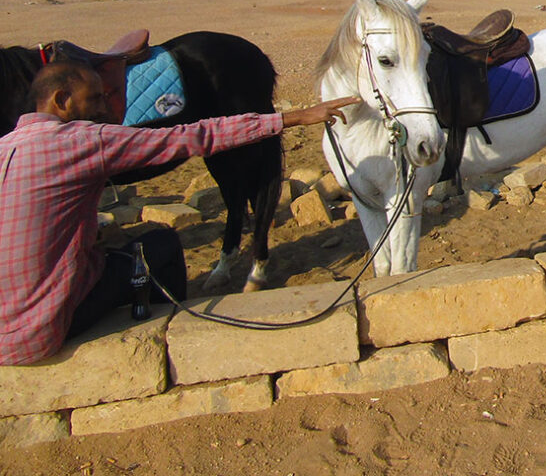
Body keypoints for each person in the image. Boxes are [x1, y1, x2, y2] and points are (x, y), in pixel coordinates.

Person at [0, 60, 359, 366]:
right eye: (94, 99)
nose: (104, 109)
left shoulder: (5, 147)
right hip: (41, 330)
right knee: (161, 244)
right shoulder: (82, 141)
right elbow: (193, 136)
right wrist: (294, 118)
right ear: (62, 101)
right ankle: (174, 341)